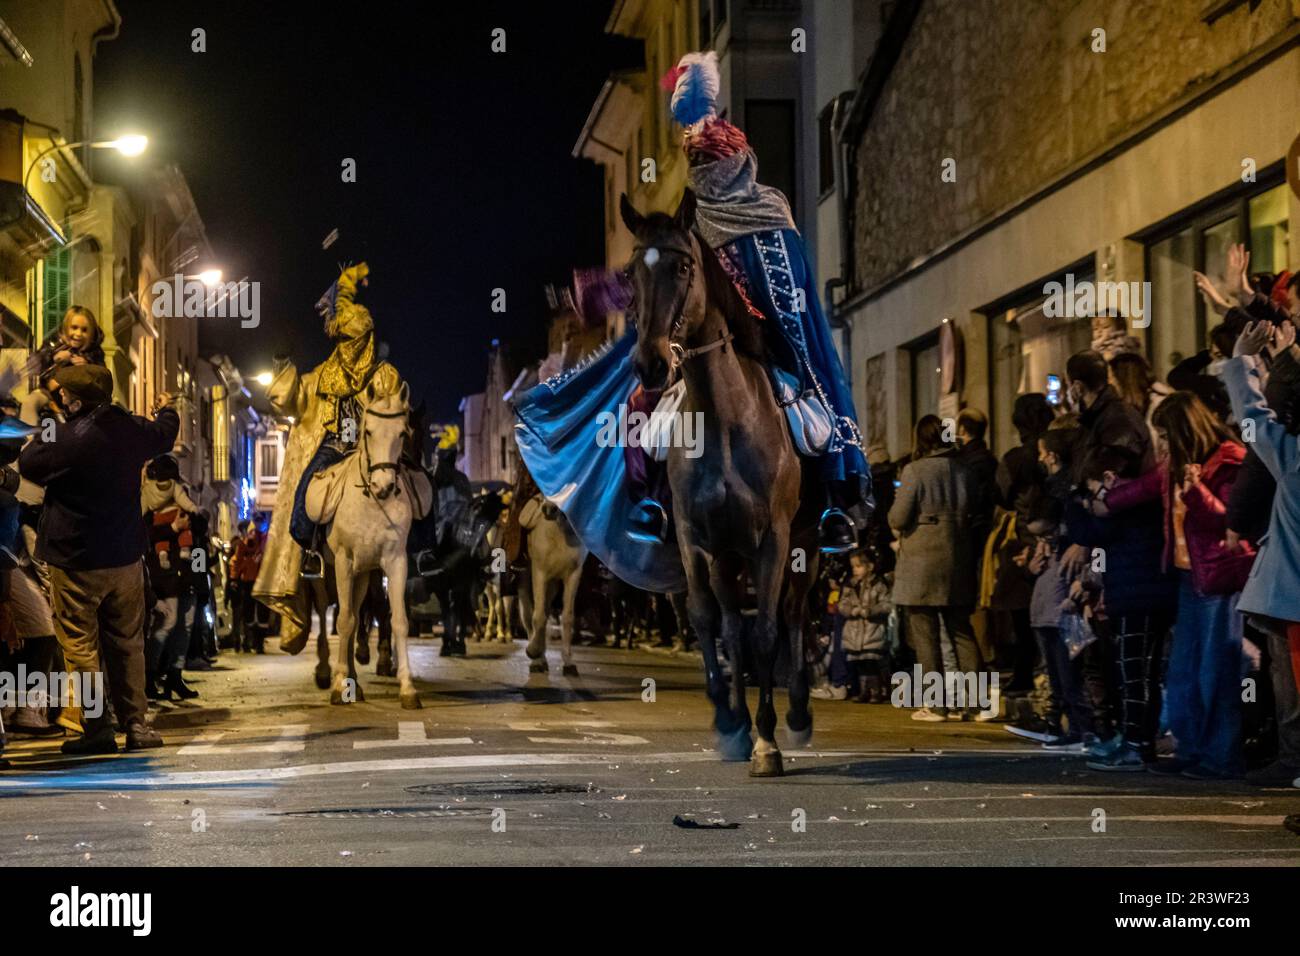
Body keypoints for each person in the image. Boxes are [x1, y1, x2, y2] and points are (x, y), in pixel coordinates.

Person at [17, 364, 178, 754]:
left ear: (74, 399)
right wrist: (167, 409)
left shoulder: (67, 437)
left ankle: (97, 728)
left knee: (80, 648)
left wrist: (51, 423)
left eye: (64, 395)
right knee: (127, 644)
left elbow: (30, 462)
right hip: (124, 557)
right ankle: (137, 725)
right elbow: (165, 434)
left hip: (75, 560)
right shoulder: (128, 429)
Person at [254, 262, 412, 653]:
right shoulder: (321, 376)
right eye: (348, 339)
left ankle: (422, 551)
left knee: (421, 493)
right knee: (305, 495)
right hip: (330, 449)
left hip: (370, 451)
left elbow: (394, 410)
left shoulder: (383, 375)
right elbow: (285, 399)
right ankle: (308, 553)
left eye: (360, 338)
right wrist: (281, 362)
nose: (355, 346)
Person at [1099, 392, 1252, 778]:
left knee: (1215, 672)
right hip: (1188, 578)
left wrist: (1197, 492)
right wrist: (1104, 496)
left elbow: (1231, 519)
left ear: (1185, 431)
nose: (1162, 445)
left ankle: (1220, 757)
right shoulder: (1178, 466)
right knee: (1184, 672)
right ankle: (1193, 749)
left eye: (1166, 436)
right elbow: (1143, 489)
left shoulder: (1228, 460)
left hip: (1220, 578)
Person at [1222, 321, 1300, 789]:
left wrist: (1242, 360)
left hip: (1293, 600)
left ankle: (1293, 764)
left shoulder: (1291, 457)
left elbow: (1252, 417)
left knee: (1292, 691)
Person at [888, 415, 984, 721]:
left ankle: (936, 704)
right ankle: (979, 703)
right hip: (958, 557)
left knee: (925, 634)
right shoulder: (964, 471)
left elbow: (898, 518)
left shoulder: (915, 470)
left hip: (922, 561)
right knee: (962, 631)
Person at [145, 507, 199, 701]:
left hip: (186, 580)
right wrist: (174, 527)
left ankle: (174, 676)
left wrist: (197, 579)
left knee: (185, 628)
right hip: (166, 581)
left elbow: (198, 547)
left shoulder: (188, 515)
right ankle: (150, 677)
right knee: (166, 625)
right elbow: (147, 536)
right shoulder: (151, 513)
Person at [20, 305, 106, 425]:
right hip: (50, 398)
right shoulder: (54, 343)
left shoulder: (95, 353)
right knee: (30, 402)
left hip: (78, 403)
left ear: (91, 333)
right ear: (66, 328)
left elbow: (103, 381)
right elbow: (36, 362)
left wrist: (87, 368)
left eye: (84, 330)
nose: (78, 333)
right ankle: (30, 440)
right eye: (74, 327)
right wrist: (53, 357)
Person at [835, 550, 894, 704]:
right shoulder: (850, 585)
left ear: (870, 567)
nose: (855, 569)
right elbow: (842, 604)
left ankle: (876, 690)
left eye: (859, 566)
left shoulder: (878, 584)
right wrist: (851, 611)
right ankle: (863, 691)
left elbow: (887, 604)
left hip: (872, 630)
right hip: (854, 631)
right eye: (853, 566)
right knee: (859, 664)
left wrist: (871, 611)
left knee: (871, 663)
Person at [229, 520, 265, 653]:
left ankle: (254, 642)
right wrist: (234, 578)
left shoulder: (259, 544)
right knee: (250, 613)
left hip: (255, 582)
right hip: (252, 582)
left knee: (256, 614)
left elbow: (237, 563)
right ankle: (251, 642)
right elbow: (237, 562)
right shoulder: (244, 545)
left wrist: (234, 578)